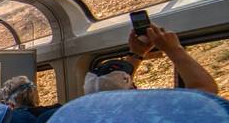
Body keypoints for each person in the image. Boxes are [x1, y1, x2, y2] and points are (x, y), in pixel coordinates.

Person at [83, 25, 218, 95]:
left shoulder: (87, 122)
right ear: (131, 90)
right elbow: (205, 92)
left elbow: (116, 86)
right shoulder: (146, 114)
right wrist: (173, 49)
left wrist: (137, 53)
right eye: (131, 84)